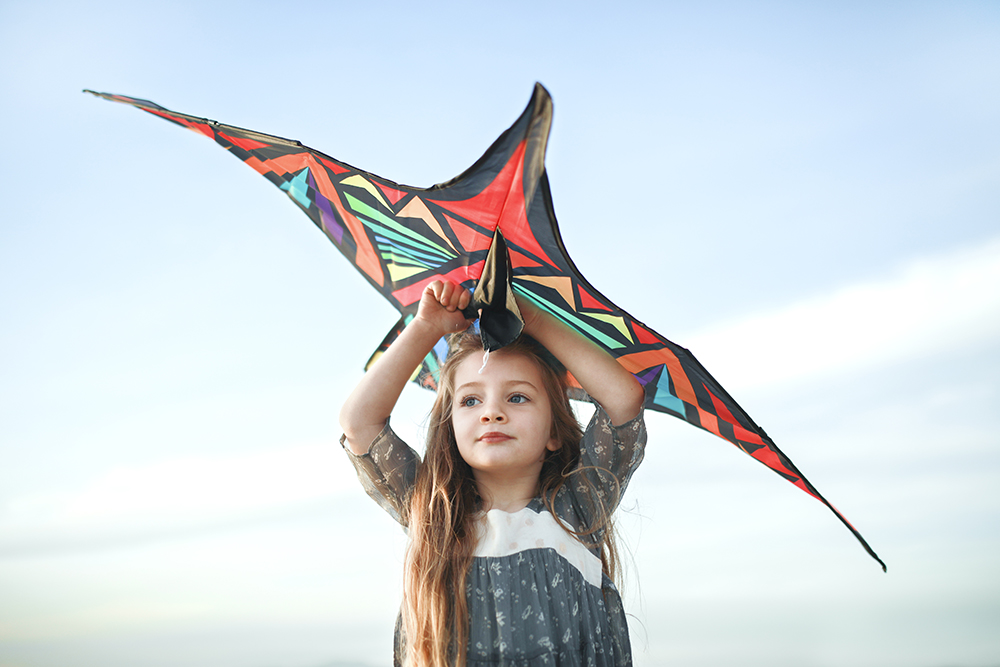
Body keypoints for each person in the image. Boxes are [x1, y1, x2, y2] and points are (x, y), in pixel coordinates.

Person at [339, 279, 646, 667]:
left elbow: (624, 401)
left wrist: (535, 319)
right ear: (450, 427)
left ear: (554, 431)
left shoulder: (579, 508)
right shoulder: (433, 512)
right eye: (470, 400)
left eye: (517, 397)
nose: (492, 412)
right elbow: (359, 423)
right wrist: (426, 327)